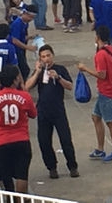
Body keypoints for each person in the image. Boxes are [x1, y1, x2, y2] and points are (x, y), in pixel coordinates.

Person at [23, 44, 79, 180]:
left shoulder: (60, 69)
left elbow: (70, 86)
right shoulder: (39, 71)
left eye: (48, 55)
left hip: (58, 110)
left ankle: (72, 166)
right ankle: (52, 167)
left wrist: (58, 78)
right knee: (44, 141)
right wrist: (37, 72)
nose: (46, 59)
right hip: (43, 111)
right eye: (43, 57)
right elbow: (27, 87)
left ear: (52, 55)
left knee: (65, 140)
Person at [0, 65, 37, 194]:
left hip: (1, 141)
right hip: (22, 140)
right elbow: (33, 114)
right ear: (16, 79)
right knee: (21, 175)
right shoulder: (25, 97)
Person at [78, 25, 112, 162]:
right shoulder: (111, 50)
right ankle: (100, 149)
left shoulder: (100, 55)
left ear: (97, 37)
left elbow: (101, 75)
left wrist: (85, 68)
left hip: (106, 91)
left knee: (110, 122)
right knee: (96, 117)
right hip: (110, 89)